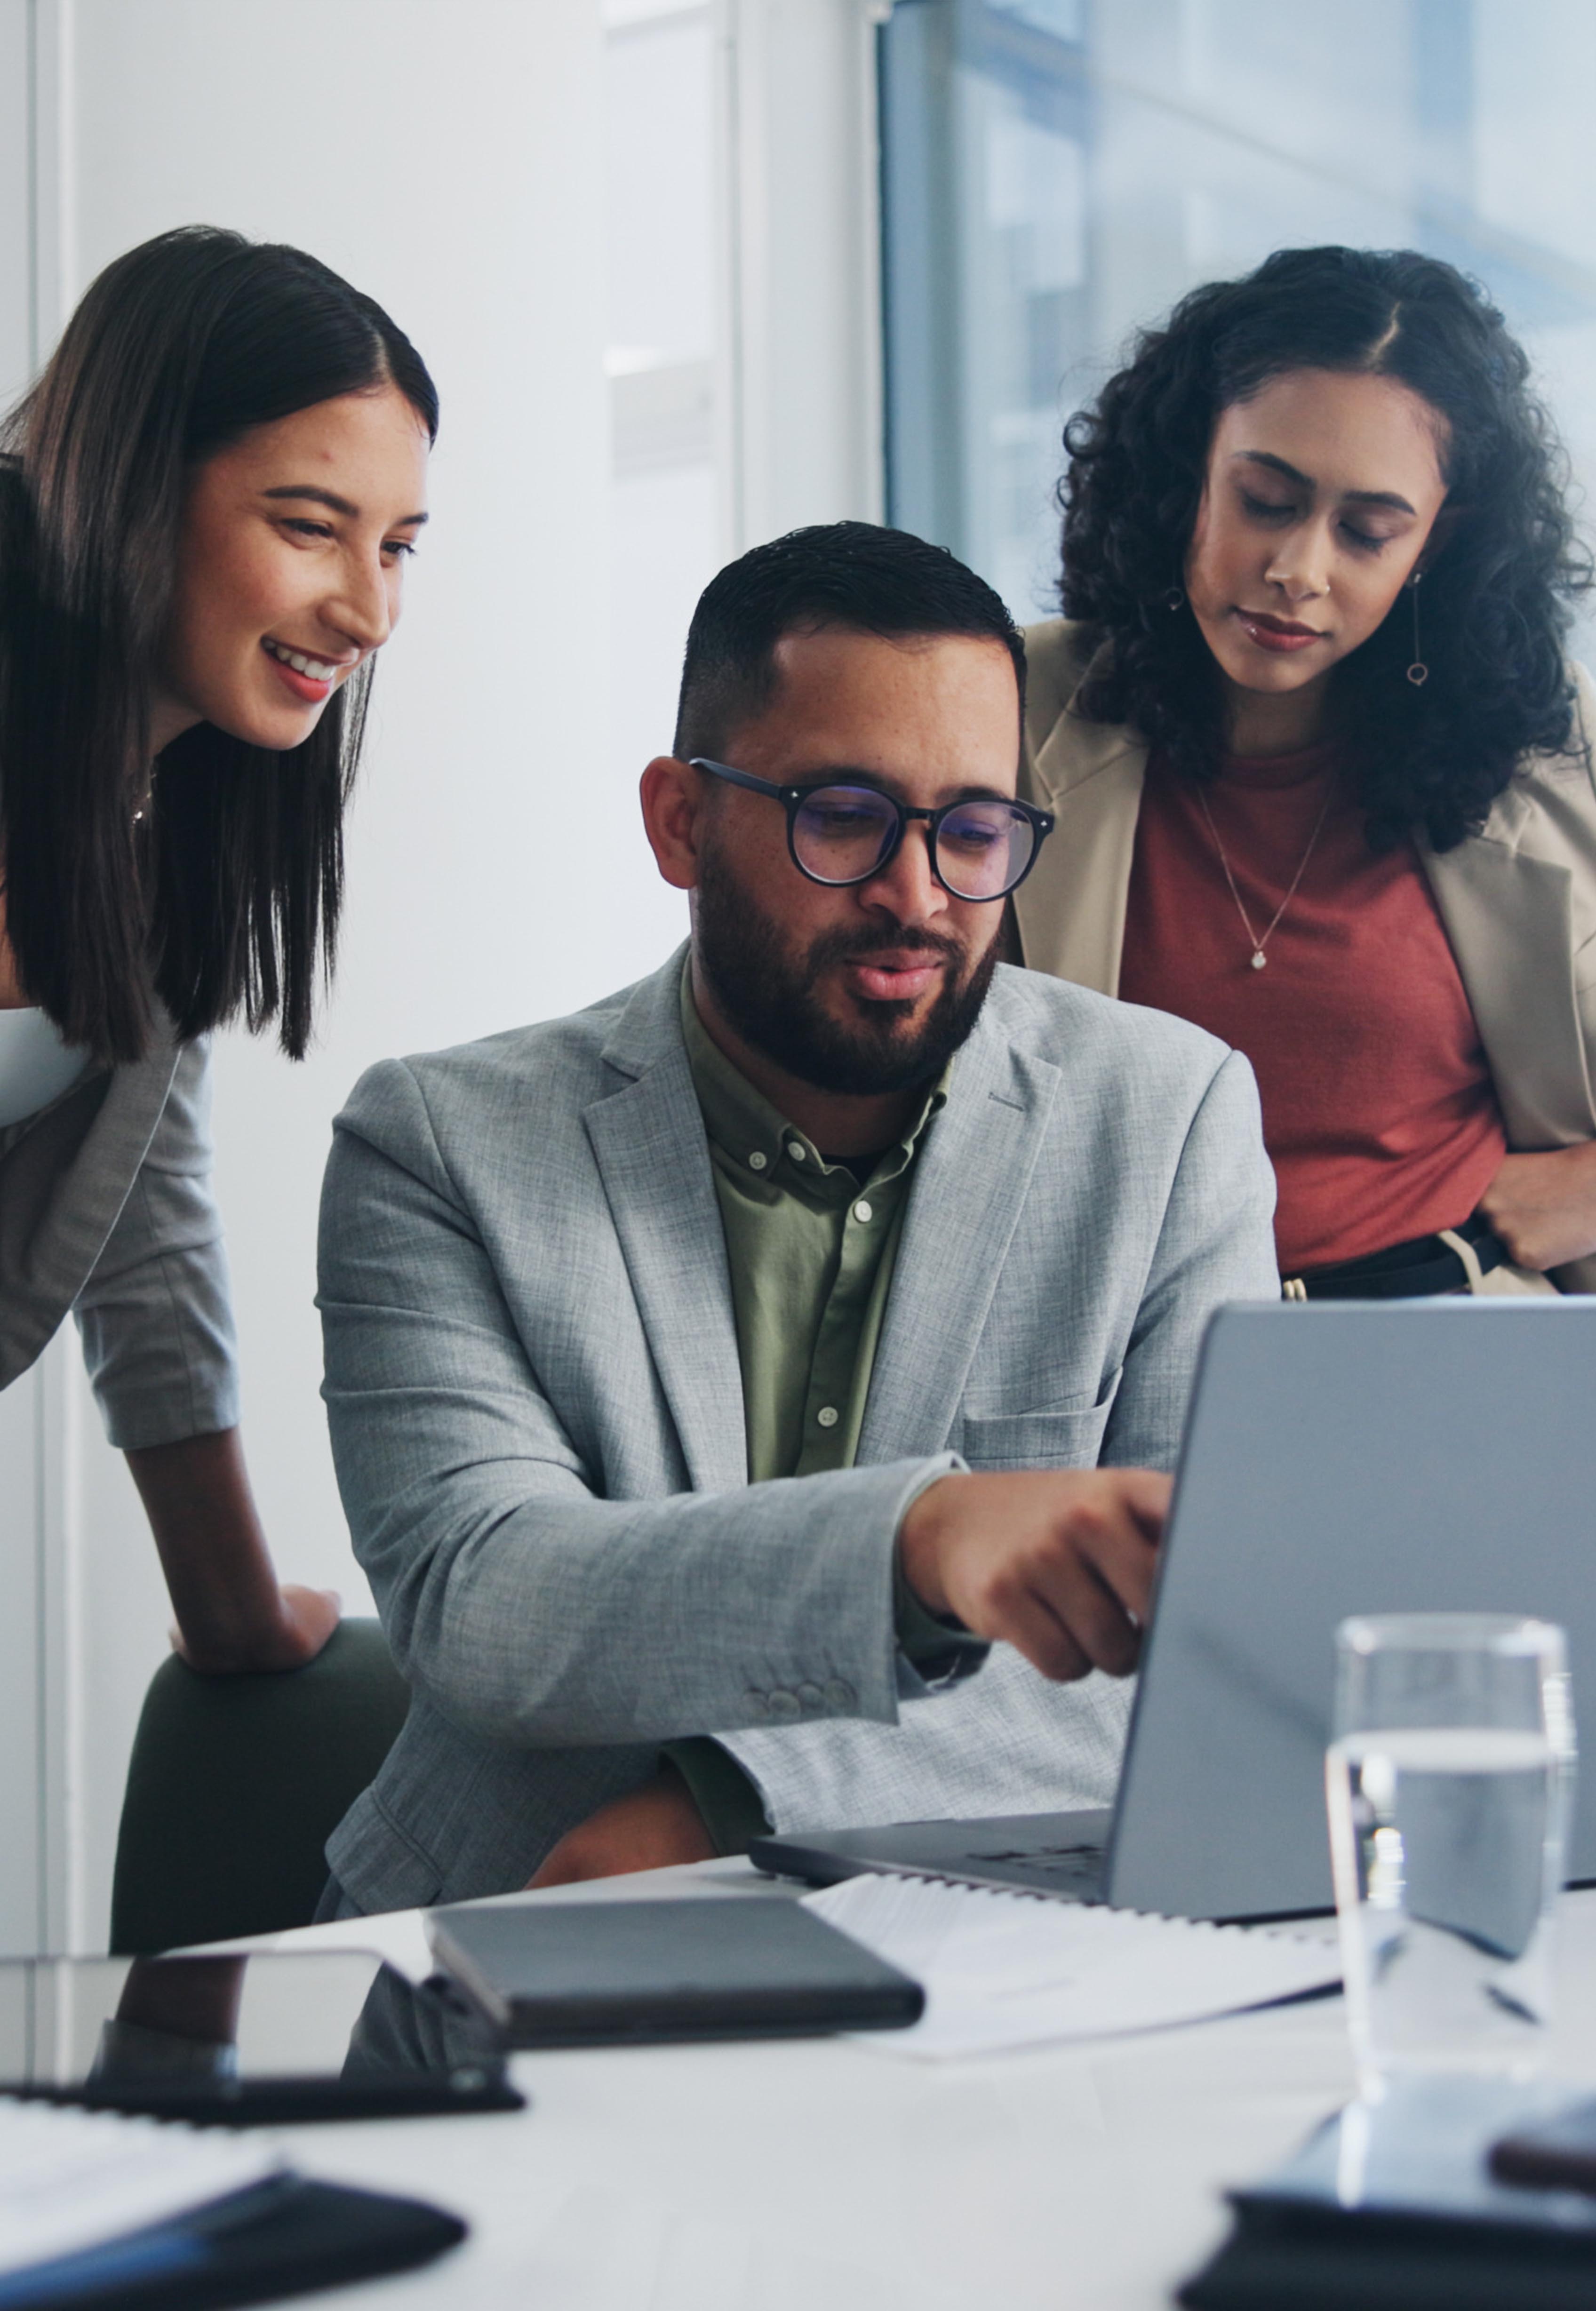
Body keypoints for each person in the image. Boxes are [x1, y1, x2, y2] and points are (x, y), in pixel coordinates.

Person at [312, 523, 1276, 1914]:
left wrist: (726, 1803)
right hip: (494, 1934)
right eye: (842, 816)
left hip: (995, 1954)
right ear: (680, 823)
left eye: (975, 828)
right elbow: (489, 1605)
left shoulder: (1170, 1119)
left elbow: (1210, 1649)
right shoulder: (441, 1145)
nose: (919, 895)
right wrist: (924, 1543)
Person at [1014, 246, 1596, 1299]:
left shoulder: (1536, 743)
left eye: (1367, 532)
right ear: (1186, 473)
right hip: (1125, 1370)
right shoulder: (1008, 712)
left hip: (1474, 1347)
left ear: (1435, 546)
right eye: (1265, 501)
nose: (1298, 571)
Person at [0, 226, 435, 1671]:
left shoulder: (158, 805)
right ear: (132, 481)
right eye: (310, 527)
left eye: (396, 548)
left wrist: (236, 1612)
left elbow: (135, 1214)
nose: (367, 611)